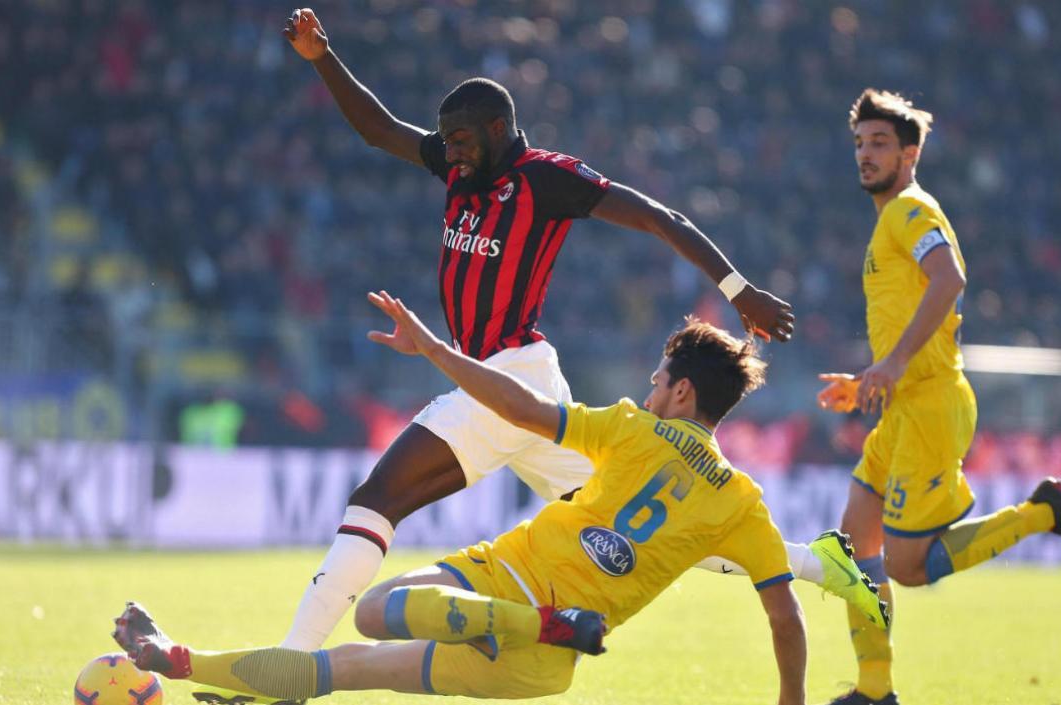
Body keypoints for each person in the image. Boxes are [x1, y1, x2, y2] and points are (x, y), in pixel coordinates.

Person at [275, 7, 804, 654]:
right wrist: (321, 58)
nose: (453, 151)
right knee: (623, 519)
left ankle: (292, 663)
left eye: (464, 138)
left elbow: (661, 217)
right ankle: (814, 562)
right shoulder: (459, 164)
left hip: (505, 375)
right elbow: (378, 130)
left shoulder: (545, 179)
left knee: (377, 495)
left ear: (499, 129)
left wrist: (738, 289)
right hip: (529, 379)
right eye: (447, 140)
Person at [114, 291, 808, 704]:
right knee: (367, 627)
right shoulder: (741, 502)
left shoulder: (631, 427)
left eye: (659, 380)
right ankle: (172, 657)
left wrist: (437, 351)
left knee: (361, 637)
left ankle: (177, 658)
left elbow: (520, 404)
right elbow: (785, 618)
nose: (651, 387)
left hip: (514, 621)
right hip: (513, 606)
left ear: (681, 392)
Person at [815, 89, 1061, 705]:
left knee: (906, 566)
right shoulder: (889, 221)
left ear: (910, 152)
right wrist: (872, 375)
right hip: (903, 406)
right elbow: (912, 311)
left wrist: (894, 364)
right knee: (854, 545)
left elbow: (950, 279)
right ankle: (874, 690)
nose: (866, 155)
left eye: (879, 144)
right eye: (859, 144)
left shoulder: (909, 211)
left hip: (929, 406)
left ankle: (1041, 513)